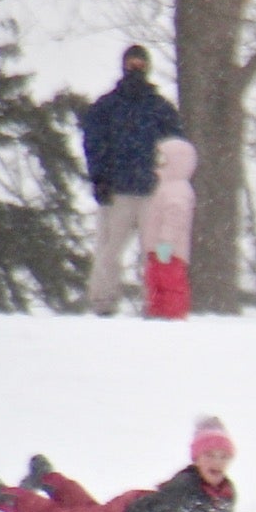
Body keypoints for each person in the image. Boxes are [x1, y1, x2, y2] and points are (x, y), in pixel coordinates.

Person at [0, 417, 256, 512]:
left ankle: (48, 478)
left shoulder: (226, 491)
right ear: (196, 459)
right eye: (209, 455)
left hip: (130, 506)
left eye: (223, 457)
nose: (216, 463)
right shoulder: (186, 489)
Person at [80, 45, 185, 316]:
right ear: (123, 65)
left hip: (153, 192)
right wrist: (99, 179)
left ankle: (156, 303)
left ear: (147, 67)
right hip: (117, 192)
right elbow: (93, 144)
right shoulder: (106, 107)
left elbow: (176, 148)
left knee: (155, 251)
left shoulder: (161, 109)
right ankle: (103, 303)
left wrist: (169, 183)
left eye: (140, 63)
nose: (135, 68)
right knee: (108, 250)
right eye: (131, 63)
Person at [139, 138, 197, 320]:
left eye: (163, 159)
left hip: (168, 251)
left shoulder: (178, 189)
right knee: (154, 283)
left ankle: (173, 317)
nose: (158, 163)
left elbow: (175, 217)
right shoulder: (165, 187)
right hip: (157, 250)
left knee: (170, 285)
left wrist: (166, 242)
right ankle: (156, 315)